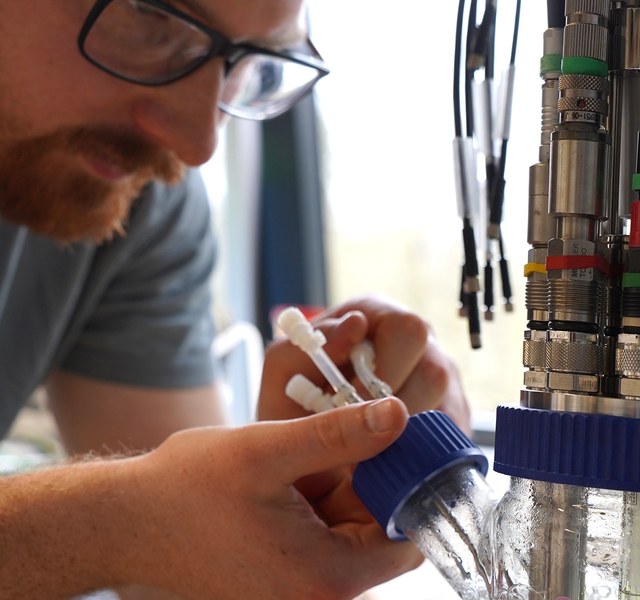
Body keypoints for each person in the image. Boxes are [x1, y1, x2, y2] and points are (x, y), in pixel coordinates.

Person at [0, 0, 468, 598]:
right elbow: (145, 528)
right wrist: (116, 525)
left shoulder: (128, 196)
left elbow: (177, 580)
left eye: (246, 62)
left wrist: (289, 490)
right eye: (151, 20)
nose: (196, 144)